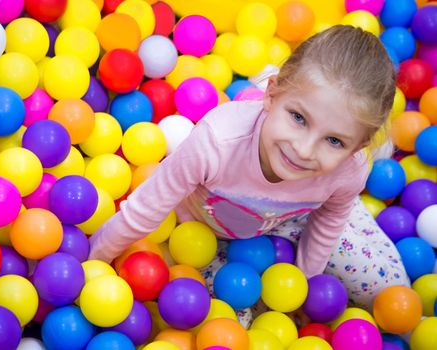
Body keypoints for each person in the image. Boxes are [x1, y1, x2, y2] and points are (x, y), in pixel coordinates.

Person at [89, 25, 410, 325]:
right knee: (229, 323)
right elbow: (143, 211)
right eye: (298, 118)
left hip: (297, 220)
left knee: (387, 290)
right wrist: (92, 263)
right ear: (272, 94)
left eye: (334, 140)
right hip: (205, 233)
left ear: (359, 146)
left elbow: (329, 221)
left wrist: (303, 282)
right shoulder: (216, 142)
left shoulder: (348, 170)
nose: (304, 150)